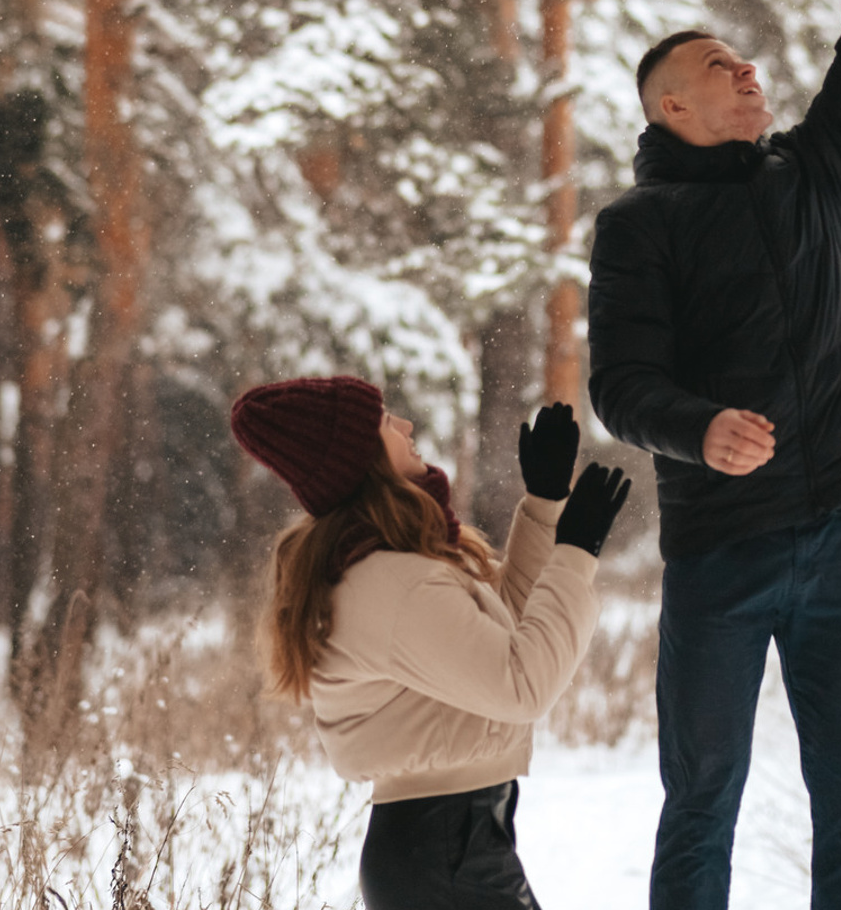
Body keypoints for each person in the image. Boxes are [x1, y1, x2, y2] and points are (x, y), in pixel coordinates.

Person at [587, 0, 841, 910]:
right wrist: (699, 429)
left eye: (747, 60)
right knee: (702, 804)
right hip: (723, 553)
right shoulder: (640, 227)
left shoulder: (815, 174)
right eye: (719, 66)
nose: (748, 71)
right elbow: (620, 388)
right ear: (671, 106)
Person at [230, 374, 631, 910]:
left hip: (446, 843)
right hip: (445, 848)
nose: (405, 425)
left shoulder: (394, 563)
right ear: (362, 458)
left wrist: (543, 505)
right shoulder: (391, 584)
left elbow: (504, 629)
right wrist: (575, 552)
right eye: (384, 421)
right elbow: (520, 685)